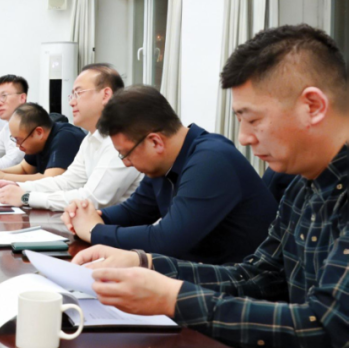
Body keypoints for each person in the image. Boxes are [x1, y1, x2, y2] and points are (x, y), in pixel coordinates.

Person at [74, 25, 349, 348]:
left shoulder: (217, 159)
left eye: (253, 119)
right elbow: (258, 277)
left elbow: (328, 333)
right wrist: (146, 264)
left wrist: (172, 298)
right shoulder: (302, 185)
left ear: (313, 106)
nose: (244, 138)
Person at [64, 85, 275, 263]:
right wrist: (87, 216)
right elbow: (134, 211)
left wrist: (94, 231)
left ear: (155, 142)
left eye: (126, 154)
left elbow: (166, 240)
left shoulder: (211, 160)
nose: (126, 163)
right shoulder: (164, 164)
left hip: (242, 286)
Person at [0, 64, 142, 210]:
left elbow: (92, 199)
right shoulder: (91, 139)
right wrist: (18, 186)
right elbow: (68, 182)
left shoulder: (121, 139)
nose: (71, 102)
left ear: (106, 95)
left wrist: (26, 197)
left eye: (78, 93)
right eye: (72, 95)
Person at [0, 102, 85, 183]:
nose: (17, 145)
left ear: (38, 132)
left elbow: (50, 180)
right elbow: (24, 169)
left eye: (19, 140)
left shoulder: (66, 137)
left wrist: (3, 176)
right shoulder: (38, 143)